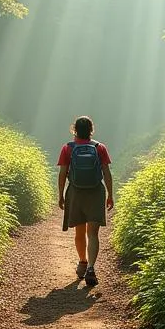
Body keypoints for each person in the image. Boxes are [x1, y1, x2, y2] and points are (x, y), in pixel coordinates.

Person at [57, 116, 113, 287]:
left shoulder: (67, 148)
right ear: (91, 130)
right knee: (93, 234)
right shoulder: (99, 147)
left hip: (76, 192)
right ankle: (90, 268)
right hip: (96, 192)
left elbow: (62, 174)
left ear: (74, 129)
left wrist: (61, 195)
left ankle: (82, 261)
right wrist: (110, 194)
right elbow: (106, 173)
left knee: (79, 233)